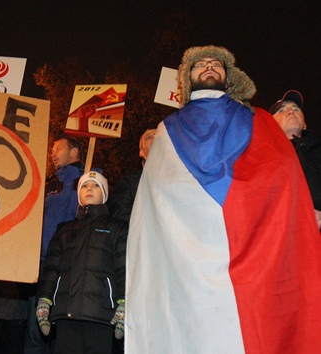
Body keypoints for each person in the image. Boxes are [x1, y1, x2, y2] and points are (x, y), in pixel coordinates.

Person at [125, 45, 321, 353]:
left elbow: (280, 175)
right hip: (185, 258)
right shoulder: (166, 131)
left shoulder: (261, 122)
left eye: (216, 63)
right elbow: (156, 205)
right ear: (188, 79)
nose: (208, 66)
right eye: (200, 64)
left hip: (251, 244)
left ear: (230, 78)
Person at [35, 171, 128, 353]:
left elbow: (124, 268)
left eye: (95, 185)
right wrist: (44, 299)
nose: (89, 189)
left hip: (101, 315)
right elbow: (52, 268)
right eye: (84, 186)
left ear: (105, 193)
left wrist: (124, 302)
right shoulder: (64, 229)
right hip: (66, 314)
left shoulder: (117, 228)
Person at [23, 136, 87, 354]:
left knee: (62, 333)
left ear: (75, 152)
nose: (53, 153)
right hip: (41, 266)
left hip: (69, 266)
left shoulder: (86, 183)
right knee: (36, 330)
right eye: (52, 150)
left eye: (59, 148)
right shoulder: (48, 185)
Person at [269, 90, 321, 228]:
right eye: (282, 110)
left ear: (304, 124)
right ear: (271, 125)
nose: (291, 111)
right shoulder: (264, 158)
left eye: (296, 109)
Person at [106, 128, 156, 222]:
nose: (155, 137)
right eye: (149, 137)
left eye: (159, 136)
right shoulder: (130, 183)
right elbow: (120, 212)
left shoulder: (184, 176)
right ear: (141, 152)